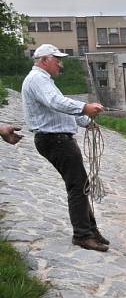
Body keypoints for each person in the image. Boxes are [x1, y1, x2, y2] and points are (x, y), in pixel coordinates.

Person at [22, 44, 108, 252]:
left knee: (80, 184)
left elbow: (59, 110)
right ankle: (82, 235)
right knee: (78, 186)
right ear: (44, 60)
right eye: (56, 59)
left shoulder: (44, 80)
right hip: (56, 140)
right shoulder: (37, 80)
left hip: (58, 139)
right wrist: (84, 107)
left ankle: (90, 230)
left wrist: (86, 121)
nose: (60, 64)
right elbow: (56, 103)